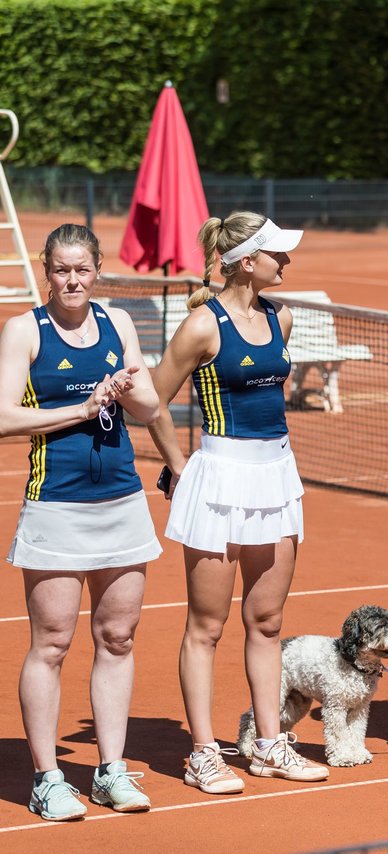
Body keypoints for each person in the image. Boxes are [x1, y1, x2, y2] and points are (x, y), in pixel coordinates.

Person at [148, 212, 328, 792]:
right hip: (220, 477)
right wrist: (180, 467)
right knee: (207, 625)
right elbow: (152, 400)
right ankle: (203, 752)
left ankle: (270, 743)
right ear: (248, 260)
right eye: (279, 253)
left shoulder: (284, 317)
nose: (288, 262)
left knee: (268, 621)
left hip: (277, 474)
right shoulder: (202, 324)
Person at [0, 224, 161, 820]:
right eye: (62, 269)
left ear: (98, 270)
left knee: (117, 638)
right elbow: (2, 416)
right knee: (53, 642)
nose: (73, 280)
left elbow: (147, 409)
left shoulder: (118, 324)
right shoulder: (25, 330)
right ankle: (47, 778)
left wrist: (129, 386)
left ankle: (110, 770)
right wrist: (82, 407)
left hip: (121, 501)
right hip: (56, 506)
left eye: (83, 269)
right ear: (47, 271)